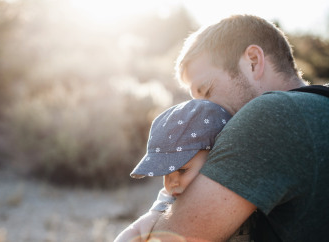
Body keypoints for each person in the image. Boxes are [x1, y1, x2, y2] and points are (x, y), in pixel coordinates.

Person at [143, 14, 329, 241]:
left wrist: (155, 216)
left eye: (207, 91)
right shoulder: (319, 106)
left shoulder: (270, 115)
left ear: (253, 60)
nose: (203, 112)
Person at [114, 99, 232, 242]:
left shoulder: (234, 187)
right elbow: (137, 229)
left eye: (182, 170)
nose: (172, 183)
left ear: (215, 156)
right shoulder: (170, 198)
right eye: (165, 174)